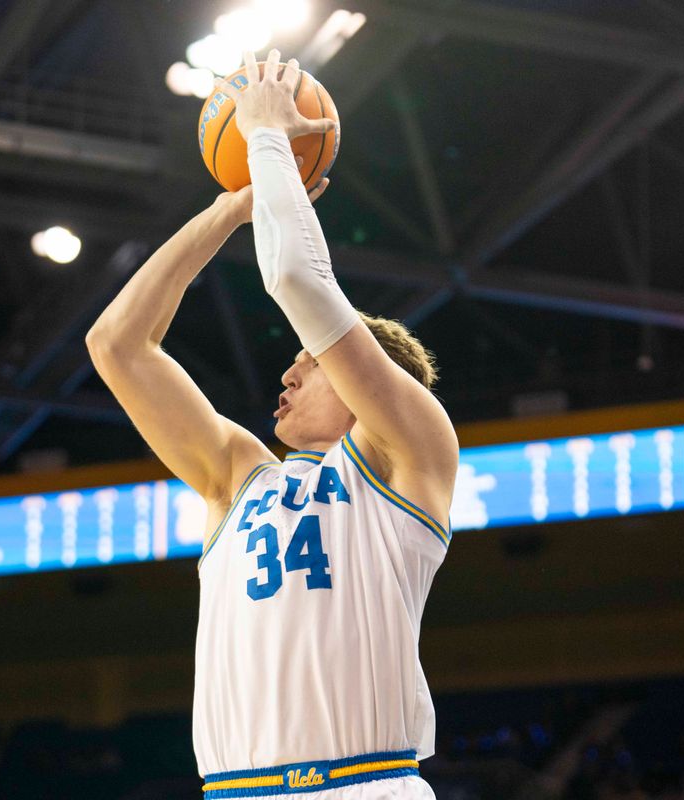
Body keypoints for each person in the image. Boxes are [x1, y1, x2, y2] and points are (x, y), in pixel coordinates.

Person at [86, 48, 458, 800]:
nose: (286, 374)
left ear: (363, 379)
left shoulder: (411, 450)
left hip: (364, 786)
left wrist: (263, 137)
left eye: (309, 362)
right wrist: (228, 209)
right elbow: (117, 346)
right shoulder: (238, 476)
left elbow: (297, 279)